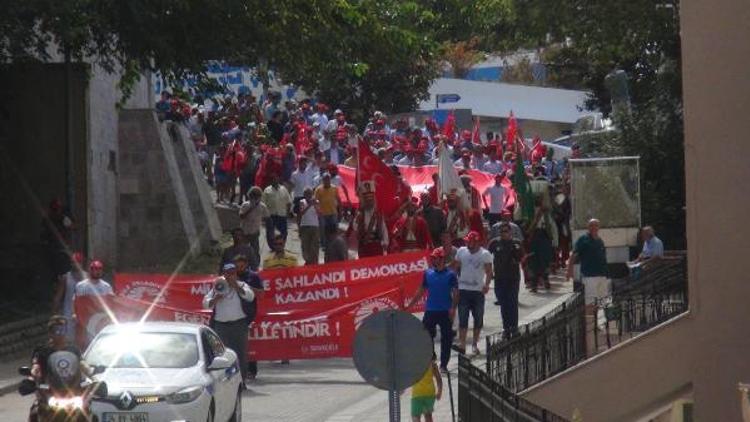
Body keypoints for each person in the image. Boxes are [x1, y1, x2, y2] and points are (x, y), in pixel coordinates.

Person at [406, 247, 458, 372]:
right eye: (433, 258)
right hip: (431, 310)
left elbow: (456, 293)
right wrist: (411, 305)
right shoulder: (428, 273)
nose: (434, 260)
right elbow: (421, 290)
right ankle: (431, 357)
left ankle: (444, 364)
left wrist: (453, 308)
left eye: (436, 258)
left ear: (442, 259)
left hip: (445, 310)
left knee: (446, 338)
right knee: (425, 335)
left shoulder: (451, 275)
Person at [203, 263, 256, 384]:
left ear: (236, 274)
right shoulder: (218, 286)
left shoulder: (242, 285)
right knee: (222, 355)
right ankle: (225, 383)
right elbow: (205, 303)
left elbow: (250, 297)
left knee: (240, 354)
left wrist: (236, 287)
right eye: (228, 273)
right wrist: (216, 298)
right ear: (224, 274)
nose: (230, 275)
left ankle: (241, 382)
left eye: (232, 273)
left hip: (239, 325)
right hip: (221, 326)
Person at [28, 316, 85, 422]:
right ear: (50, 333)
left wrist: (93, 376)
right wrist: (31, 377)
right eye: (56, 330)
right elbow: (36, 367)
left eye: (62, 330)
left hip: (72, 391)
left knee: (88, 412)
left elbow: (82, 365)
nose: (60, 334)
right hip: (48, 392)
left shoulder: (73, 350)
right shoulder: (42, 351)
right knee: (35, 412)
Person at [453, 231, 493, 356]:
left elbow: (489, 271)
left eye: (470, 242)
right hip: (463, 289)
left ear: (477, 242)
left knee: (478, 318)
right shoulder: (461, 251)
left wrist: (487, 284)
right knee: (463, 318)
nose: (468, 244)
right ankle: (462, 344)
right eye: (467, 241)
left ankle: (475, 344)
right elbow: (456, 267)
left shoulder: (485, 254)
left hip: (477, 291)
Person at [488, 223, 524, 338]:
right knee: (503, 304)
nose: (504, 233)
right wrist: (489, 272)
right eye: (502, 231)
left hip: (512, 278)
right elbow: (487, 256)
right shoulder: (495, 243)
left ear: (510, 232)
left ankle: (514, 328)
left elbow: (521, 257)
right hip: (499, 278)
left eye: (506, 231)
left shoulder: (516, 243)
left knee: (512, 303)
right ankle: (506, 328)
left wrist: (516, 252)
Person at [567, 218, 609, 312]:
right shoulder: (583, 239)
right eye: (591, 225)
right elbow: (574, 255)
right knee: (590, 303)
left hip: (602, 275)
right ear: (588, 227)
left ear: (599, 227)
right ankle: (590, 326)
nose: (593, 227)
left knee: (603, 302)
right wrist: (569, 271)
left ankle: (598, 324)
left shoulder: (600, 241)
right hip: (589, 276)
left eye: (596, 225)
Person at [233, 255, 264, 381]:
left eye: (242, 266)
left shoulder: (253, 277)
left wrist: (246, 286)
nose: (239, 269)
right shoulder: (230, 277)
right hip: (234, 314)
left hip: (249, 315)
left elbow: (261, 294)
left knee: (249, 344)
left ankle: (251, 370)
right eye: (237, 266)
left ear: (246, 265)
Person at [52, 252, 87, 341]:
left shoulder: (87, 277)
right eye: (72, 262)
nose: (73, 264)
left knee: (84, 341)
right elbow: (58, 297)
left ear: (81, 263)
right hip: (68, 315)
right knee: (68, 341)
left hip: (85, 315)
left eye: (76, 262)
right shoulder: (66, 278)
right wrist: (55, 314)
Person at [349, 181, 389, 257]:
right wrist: (359, 217)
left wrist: (385, 242)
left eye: (371, 198)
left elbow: (383, 228)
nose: (369, 200)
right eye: (367, 198)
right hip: (364, 248)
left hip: (377, 247)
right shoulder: (360, 213)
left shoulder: (378, 213)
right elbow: (355, 227)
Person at [239, 187, 269, 270]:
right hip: (244, 231)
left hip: (254, 231)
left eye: (257, 197)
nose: (255, 199)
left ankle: (255, 267)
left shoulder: (262, 206)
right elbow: (241, 216)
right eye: (253, 197)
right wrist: (251, 208)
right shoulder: (245, 205)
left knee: (255, 250)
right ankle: (243, 267)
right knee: (243, 251)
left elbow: (267, 217)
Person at [410, 352, 443, 422]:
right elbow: (439, 379)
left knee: (415, 415)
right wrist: (439, 392)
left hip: (417, 394)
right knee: (428, 415)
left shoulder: (414, 364)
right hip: (430, 394)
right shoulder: (432, 365)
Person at [262, 174, 293, 247]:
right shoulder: (267, 190)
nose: (275, 181)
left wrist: (287, 213)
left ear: (278, 180)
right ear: (271, 181)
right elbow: (263, 204)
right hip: (271, 215)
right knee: (270, 233)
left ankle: (281, 245)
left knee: (284, 232)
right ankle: (273, 247)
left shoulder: (283, 189)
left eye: (276, 179)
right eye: (273, 179)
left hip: (282, 214)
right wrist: (264, 216)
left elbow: (288, 202)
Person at [314, 173, 340, 248]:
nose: (327, 181)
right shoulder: (318, 189)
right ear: (323, 180)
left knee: (334, 229)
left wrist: (340, 212)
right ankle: (324, 245)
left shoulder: (334, 188)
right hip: (323, 214)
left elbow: (338, 200)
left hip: (333, 212)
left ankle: (334, 244)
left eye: (328, 179)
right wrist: (318, 211)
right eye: (325, 179)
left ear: (330, 180)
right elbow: (315, 201)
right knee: (322, 230)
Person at [297, 188, 321, 265]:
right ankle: (307, 260)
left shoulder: (316, 202)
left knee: (314, 245)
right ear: (304, 195)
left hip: (314, 226)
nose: (309, 196)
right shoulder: (302, 202)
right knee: (305, 245)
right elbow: (302, 213)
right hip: (304, 226)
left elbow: (319, 213)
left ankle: (314, 262)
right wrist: (309, 205)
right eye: (307, 194)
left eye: (310, 194)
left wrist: (315, 205)